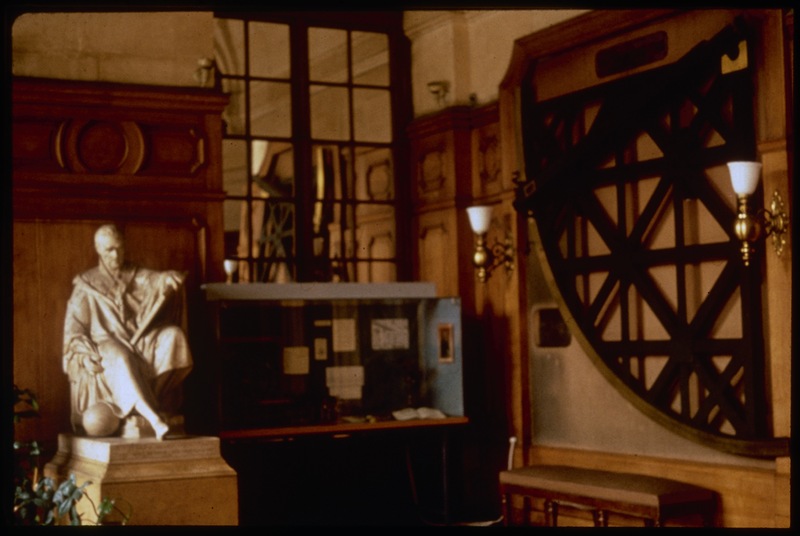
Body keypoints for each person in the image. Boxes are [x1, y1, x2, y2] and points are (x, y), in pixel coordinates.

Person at [62, 224, 193, 440]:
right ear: (99, 250)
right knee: (122, 357)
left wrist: (168, 277)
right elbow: (74, 329)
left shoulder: (136, 274)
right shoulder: (86, 285)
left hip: (139, 339)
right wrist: (83, 356)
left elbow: (155, 279)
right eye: (109, 250)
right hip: (105, 342)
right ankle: (153, 418)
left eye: (119, 248)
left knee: (174, 337)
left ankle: (148, 402)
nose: (116, 255)